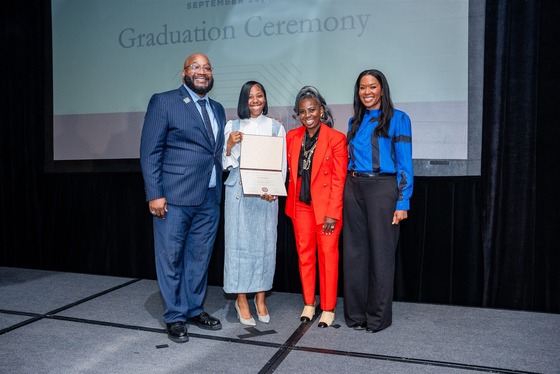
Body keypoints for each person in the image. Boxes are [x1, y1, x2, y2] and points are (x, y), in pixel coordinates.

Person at [139, 53, 225, 343]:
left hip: (209, 198)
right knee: (171, 258)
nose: (202, 72)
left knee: (199, 259)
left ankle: (193, 308)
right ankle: (175, 315)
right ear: (184, 72)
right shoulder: (163, 102)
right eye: (196, 67)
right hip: (173, 199)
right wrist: (155, 194)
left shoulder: (218, 108)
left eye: (207, 68)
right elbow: (150, 151)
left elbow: (216, 153)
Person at [343, 69, 413, 333]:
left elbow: (405, 163)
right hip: (353, 188)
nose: (367, 92)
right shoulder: (353, 122)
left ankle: (378, 318)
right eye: (362, 87)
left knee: (381, 255)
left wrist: (403, 202)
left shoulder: (398, 119)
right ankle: (356, 315)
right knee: (354, 254)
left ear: (382, 89)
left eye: (372, 86)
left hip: (383, 190)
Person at [223, 81, 286, 325]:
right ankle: (241, 299)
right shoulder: (232, 126)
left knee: (264, 245)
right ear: (243, 100)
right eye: (250, 97)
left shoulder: (275, 127)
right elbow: (224, 163)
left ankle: (260, 298)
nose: (255, 100)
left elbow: (281, 164)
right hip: (238, 192)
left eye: (260, 95)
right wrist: (229, 145)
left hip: (266, 194)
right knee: (239, 246)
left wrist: (274, 189)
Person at [285, 86, 348, 328]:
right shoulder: (292, 137)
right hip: (300, 206)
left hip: (326, 209)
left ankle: (329, 307)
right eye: (302, 112)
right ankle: (309, 303)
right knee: (305, 257)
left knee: (328, 257)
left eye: (312, 109)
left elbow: (338, 180)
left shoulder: (336, 138)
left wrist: (333, 212)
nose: (307, 114)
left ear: (321, 110)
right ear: (298, 115)